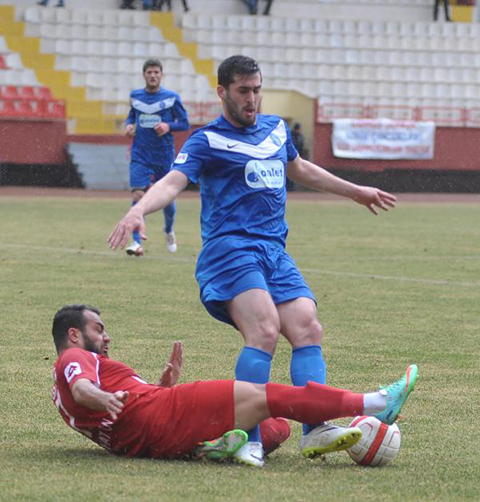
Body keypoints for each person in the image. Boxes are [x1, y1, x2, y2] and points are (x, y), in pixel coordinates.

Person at [108, 55, 398, 467]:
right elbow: (173, 182)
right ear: (222, 92)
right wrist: (140, 209)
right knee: (264, 330)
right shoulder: (206, 141)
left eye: (257, 90)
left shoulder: (277, 130)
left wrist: (355, 191)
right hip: (229, 250)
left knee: (307, 326)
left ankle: (314, 429)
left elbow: (301, 170)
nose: (252, 99)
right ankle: (247, 436)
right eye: (244, 91)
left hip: (273, 252)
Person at [51, 304, 418, 461]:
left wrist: (161, 383)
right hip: (168, 412)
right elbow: (85, 390)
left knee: (275, 429)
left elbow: (96, 404)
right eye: (98, 330)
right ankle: (374, 402)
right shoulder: (74, 358)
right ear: (73, 334)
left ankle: (208, 448)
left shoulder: (63, 390)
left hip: (152, 440)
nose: (106, 337)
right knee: (271, 396)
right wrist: (104, 399)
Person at [124, 59, 190, 256]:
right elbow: (132, 116)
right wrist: (129, 125)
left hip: (163, 154)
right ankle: (136, 243)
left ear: (161, 75)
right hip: (140, 153)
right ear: (144, 75)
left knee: (167, 199)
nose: (152, 76)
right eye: (149, 72)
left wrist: (168, 126)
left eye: (156, 72)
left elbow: (184, 123)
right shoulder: (135, 96)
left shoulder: (171, 98)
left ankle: (168, 230)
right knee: (138, 194)